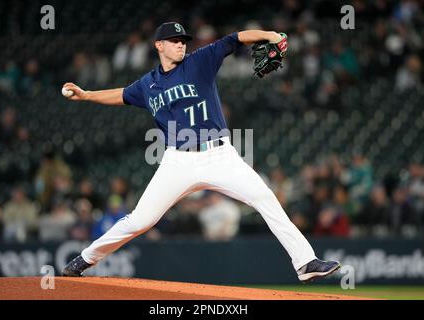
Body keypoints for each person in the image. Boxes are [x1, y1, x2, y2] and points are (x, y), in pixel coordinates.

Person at [61, 22, 340, 282]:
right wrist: (87, 95)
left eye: (183, 40)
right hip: (177, 160)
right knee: (141, 220)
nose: (181, 44)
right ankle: (84, 260)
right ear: (159, 45)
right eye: (174, 40)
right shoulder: (148, 84)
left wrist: (269, 36)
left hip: (218, 154)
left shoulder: (199, 61)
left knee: (264, 196)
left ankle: (305, 262)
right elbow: (121, 94)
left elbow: (235, 39)